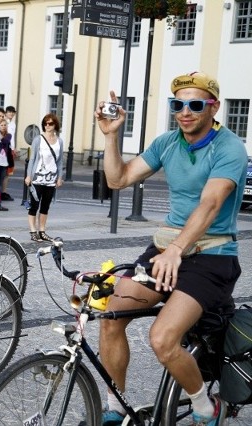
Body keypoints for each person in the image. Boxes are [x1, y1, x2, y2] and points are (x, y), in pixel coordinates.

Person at [95, 72, 247, 426]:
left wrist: (179, 248)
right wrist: (111, 137)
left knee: (162, 339)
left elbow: (210, 204)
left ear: (214, 107)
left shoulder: (229, 147)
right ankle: (115, 405)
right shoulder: (167, 142)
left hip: (211, 256)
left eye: (195, 105)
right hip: (164, 253)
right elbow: (117, 179)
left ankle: (204, 405)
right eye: (178, 105)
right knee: (110, 318)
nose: (185, 112)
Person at [25, 113, 64, 242]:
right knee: (34, 205)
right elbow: (32, 158)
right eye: (45, 123)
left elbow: (59, 161)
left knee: (45, 206)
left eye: (50, 123)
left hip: (51, 179)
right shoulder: (38, 139)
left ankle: (42, 231)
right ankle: (33, 231)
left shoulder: (59, 141)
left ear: (55, 125)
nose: (47, 126)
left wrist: (59, 177)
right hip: (37, 178)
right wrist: (29, 176)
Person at [1, 105, 18, 201]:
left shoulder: (13, 124)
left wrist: (14, 148)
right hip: (5, 149)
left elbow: (12, 138)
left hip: (10, 149)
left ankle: (4, 191)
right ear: (6, 113)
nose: (11, 114)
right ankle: (1, 191)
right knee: (4, 171)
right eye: (9, 112)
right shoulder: (4, 123)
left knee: (8, 172)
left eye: (12, 112)